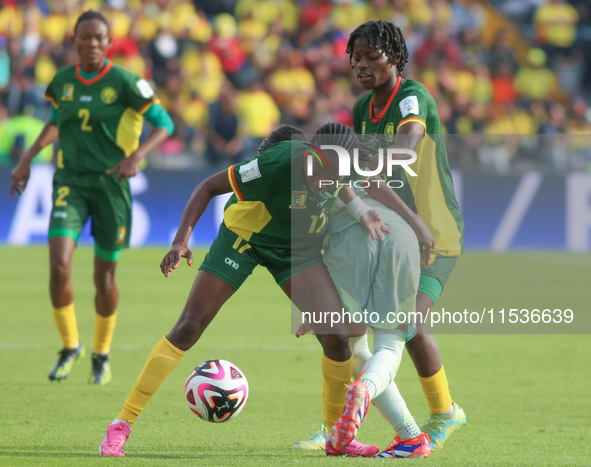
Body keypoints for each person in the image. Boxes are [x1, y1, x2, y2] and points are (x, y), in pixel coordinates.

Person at [98, 123, 401, 457]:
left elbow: (344, 186)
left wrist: (361, 212)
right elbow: (207, 187)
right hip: (245, 238)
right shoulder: (278, 163)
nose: (325, 182)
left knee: (337, 337)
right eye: (322, 172)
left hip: (293, 250)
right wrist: (181, 241)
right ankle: (120, 426)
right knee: (188, 327)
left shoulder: (339, 166)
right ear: (312, 155)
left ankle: (335, 437)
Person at [294, 20, 466, 452]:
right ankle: (336, 425)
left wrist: (354, 160)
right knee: (347, 330)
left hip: (433, 232)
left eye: (374, 56)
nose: (363, 65)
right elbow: (367, 179)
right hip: (386, 230)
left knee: (407, 324)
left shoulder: (413, 97)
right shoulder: (359, 109)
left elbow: (405, 150)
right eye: (357, 58)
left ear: (396, 57)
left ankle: (443, 415)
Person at [8, 11, 174, 386]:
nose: (92, 44)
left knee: (104, 278)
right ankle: (70, 346)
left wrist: (136, 156)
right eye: (86, 38)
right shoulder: (62, 81)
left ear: (109, 43)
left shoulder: (127, 83)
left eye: (99, 38)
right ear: (74, 40)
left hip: (111, 188)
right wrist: (27, 158)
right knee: (58, 266)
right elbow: (56, 122)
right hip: (70, 182)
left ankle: (101, 353)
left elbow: (165, 124)